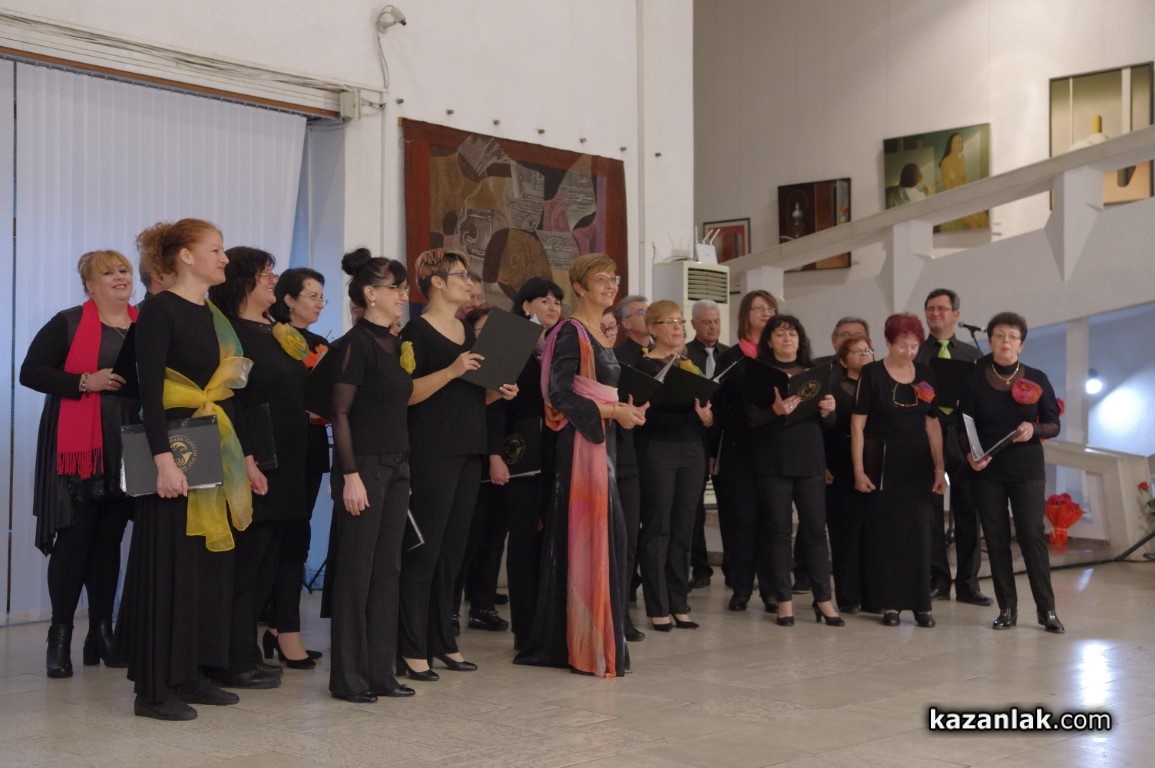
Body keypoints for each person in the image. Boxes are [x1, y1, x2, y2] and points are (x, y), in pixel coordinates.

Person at [117, 218, 252, 720]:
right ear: (186, 257)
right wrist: (162, 461)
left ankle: (191, 672)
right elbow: (148, 393)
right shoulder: (158, 310)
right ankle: (153, 689)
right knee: (166, 565)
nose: (224, 258)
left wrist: (246, 459)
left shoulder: (213, 313)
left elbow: (225, 391)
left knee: (203, 564)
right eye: (215, 249)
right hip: (171, 448)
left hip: (208, 441)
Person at [515, 252, 647, 677]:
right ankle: (580, 641)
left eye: (614, 278)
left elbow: (595, 392)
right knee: (588, 537)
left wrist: (624, 410)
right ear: (579, 286)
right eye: (601, 278)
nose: (611, 285)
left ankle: (594, 636)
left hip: (602, 443)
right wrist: (613, 412)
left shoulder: (599, 335)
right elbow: (558, 396)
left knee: (612, 539)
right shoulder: (570, 332)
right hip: (580, 446)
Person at [397, 249, 517, 681]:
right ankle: (410, 647)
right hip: (433, 449)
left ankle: (442, 640)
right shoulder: (414, 331)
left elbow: (466, 396)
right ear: (436, 281)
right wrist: (451, 370)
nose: (469, 282)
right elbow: (407, 393)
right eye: (461, 274)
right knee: (424, 552)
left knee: (452, 553)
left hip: (468, 447)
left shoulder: (466, 329)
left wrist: (496, 392)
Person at [20, 250, 139, 678]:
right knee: (75, 540)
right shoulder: (67, 322)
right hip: (79, 447)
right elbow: (31, 372)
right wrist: (87, 381)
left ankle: (102, 633)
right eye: (108, 272)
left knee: (110, 541)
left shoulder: (145, 323)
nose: (119, 277)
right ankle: (60, 636)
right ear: (89, 284)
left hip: (130, 442)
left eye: (123, 269)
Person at [205, 248, 310, 688]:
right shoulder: (229, 332)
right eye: (265, 273)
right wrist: (247, 458)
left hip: (289, 458)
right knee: (246, 562)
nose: (273, 279)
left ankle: (245, 650)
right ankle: (230, 656)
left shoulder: (275, 330)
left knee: (268, 560)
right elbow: (235, 401)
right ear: (242, 280)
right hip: (255, 458)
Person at [325, 250, 417, 702]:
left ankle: (381, 672)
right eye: (395, 288)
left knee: (388, 570)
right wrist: (350, 474)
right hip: (365, 467)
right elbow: (339, 413)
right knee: (356, 573)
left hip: (397, 465)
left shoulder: (393, 344)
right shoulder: (354, 344)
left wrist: (404, 472)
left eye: (403, 288)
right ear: (370, 294)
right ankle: (349, 678)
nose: (403, 296)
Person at [959, 313, 1064, 633]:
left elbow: (1053, 423)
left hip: (1026, 468)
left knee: (1032, 535)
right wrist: (970, 454)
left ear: (1021, 344)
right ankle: (1007, 608)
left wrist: (1034, 429)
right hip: (988, 468)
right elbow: (963, 425)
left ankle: (1047, 610)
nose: (1006, 341)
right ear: (990, 340)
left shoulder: (1037, 377)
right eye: (1000, 335)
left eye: (1013, 336)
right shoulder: (974, 377)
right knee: (996, 538)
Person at [483, 277, 564, 650]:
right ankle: (525, 629)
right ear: (526, 305)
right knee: (522, 540)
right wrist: (494, 455)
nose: (553, 307)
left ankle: (550, 624)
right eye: (544, 300)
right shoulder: (509, 337)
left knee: (550, 539)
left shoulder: (561, 344)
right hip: (518, 451)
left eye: (557, 301)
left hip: (556, 452)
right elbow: (492, 404)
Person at [852, 313, 946, 628]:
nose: (909, 352)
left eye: (914, 346)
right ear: (889, 343)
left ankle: (921, 605)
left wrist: (939, 468)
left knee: (920, 534)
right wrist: (859, 470)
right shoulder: (872, 373)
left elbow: (932, 423)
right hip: (882, 464)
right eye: (903, 346)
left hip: (917, 464)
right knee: (887, 535)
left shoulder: (926, 373)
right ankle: (890, 603)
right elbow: (858, 425)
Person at [746, 315, 841, 627]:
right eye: (780, 334)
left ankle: (823, 599)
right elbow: (749, 420)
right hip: (773, 460)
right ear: (769, 341)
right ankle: (783, 600)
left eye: (792, 334)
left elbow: (829, 424)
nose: (787, 339)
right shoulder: (758, 373)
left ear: (800, 340)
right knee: (778, 532)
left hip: (810, 458)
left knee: (815, 530)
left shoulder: (816, 372)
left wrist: (829, 411)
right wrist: (774, 410)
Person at [264, 267, 329, 665]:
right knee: (280, 538)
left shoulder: (322, 345)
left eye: (322, 296)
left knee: (299, 536)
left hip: (312, 447)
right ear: (288, 299)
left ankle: (281, 627)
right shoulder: (270, 338)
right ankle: (278, 626)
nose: (320, 303)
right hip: (279, 448)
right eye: (312, 295)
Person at [635, 301, 713, 631]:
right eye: (669, 322)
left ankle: (679, 603)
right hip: (658, 448)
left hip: (692, 448)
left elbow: (705, 411)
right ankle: (657, 606)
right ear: (652, 329)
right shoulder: (643, 366)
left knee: (684, 527)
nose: (678, 327)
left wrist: (707, 417)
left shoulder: (689, 365)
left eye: (680, 321)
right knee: (658, 526)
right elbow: (643, 414)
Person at [915, 288, 992, 606]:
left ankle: (968, 584)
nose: (935, 314)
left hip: (963, 436)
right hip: (927, 434)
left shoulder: (972, 355)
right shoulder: (916, 353)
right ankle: (937, 579)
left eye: (942, 309)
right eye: (930, 309)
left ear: (956, 315)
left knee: (968, 510)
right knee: (929, 512)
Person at [711, 289, 778, 611]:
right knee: (741, 520)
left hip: (774, 449)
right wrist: (713, 449)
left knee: (771, 521)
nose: (765, 313)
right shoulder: (731, 356)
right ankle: (740, 587)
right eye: (758, 308)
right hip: (738, 448)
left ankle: (772, 589)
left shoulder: (780, 354)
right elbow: (718, 406)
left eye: (770, 308)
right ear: (745, 315)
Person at [824, 334, 874, 613]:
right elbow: (823, 429)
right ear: (843, 361)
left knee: (872, 534)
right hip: (840, 465)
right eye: (857, 351)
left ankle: (873, 595)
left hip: (874, 465)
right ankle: (848, 596)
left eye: (868, 349)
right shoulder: (833, 389)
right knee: (846, 534)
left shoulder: (880, 385)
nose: (865, 354)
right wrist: (823, 464)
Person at [684, 299, 729, 590]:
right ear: (693, 324)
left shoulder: (730, 355)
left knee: (731, 506)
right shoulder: (685, 355)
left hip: (724, 439)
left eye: (716, 321)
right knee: (693, 508)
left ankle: (733, 566)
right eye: (706, 322)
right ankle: (700, 567)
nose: (712, 326)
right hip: (695, 438)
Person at [938, 132, 989, 230]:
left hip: (966, 195)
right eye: (955, 142)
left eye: (960, 141)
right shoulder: (945, 162)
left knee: (983, 220)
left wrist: (971, 196)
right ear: (950, 145)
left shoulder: (962, 158)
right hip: (955, 200)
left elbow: (965, 180)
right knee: (975, 224)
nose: (959, 144)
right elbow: (948, 189)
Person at [614, 294, 650, 367]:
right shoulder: (616, 358)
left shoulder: (663, 353)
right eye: (641, 312)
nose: (649, 316)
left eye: (649, 312)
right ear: (626, 323)